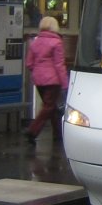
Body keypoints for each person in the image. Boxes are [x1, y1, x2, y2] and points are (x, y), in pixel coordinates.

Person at [24, 16, 69, 144]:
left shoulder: (36, 42)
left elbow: (29, 63)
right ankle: (33, 130)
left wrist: (38, 72)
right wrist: (65, 83)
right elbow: (59, 65)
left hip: (38, 80)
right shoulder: (57, 42)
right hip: (53, 80)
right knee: (49, 107)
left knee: (52, 107)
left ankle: (58, 134)